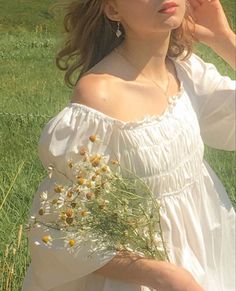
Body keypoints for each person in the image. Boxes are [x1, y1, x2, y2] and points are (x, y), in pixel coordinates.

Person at [22, 0, 236, 290]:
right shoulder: (99, 97)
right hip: (142, 277)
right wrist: (164, 276)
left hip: (206, 248)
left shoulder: (184, 71)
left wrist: (224, 38)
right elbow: (58, 227)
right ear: (113, 10)